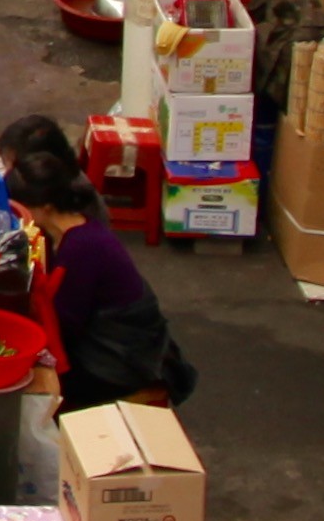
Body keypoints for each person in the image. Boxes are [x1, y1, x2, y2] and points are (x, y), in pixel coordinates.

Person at [12, 118, 195, 407]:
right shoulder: (75, 230)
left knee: (29, 393)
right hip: (117, 345)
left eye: (22, 208)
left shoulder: (82, 248)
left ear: (44, 207)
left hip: (120, 360)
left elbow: (66, 325)